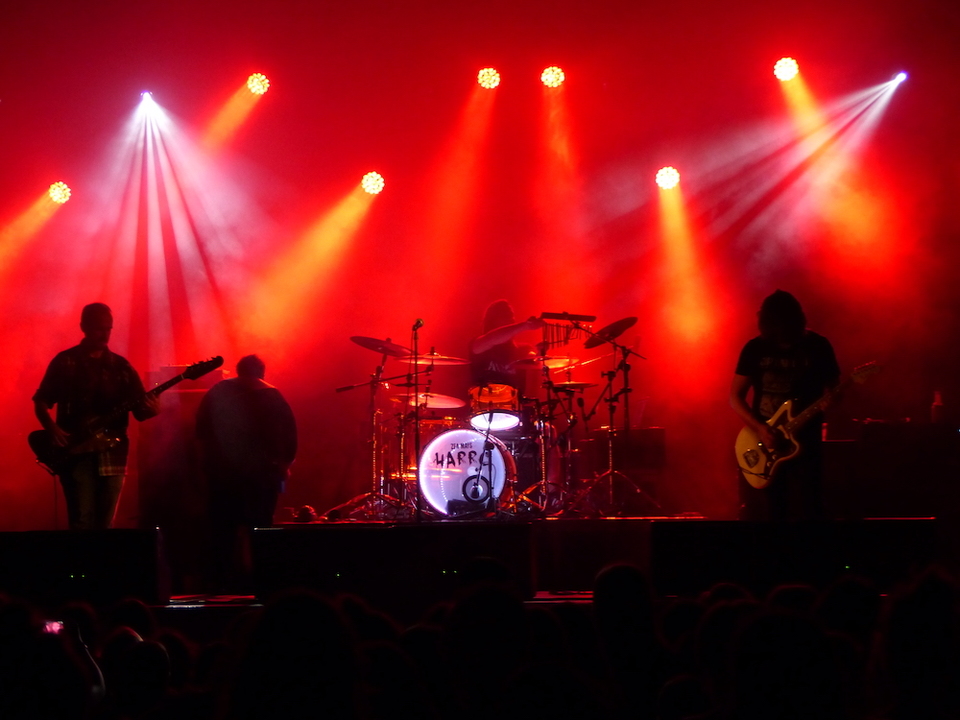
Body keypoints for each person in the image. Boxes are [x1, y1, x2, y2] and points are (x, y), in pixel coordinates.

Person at [32, 303, 160, 530]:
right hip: (75, 453)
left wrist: (154, 408)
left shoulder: (121, 367)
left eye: (109, 329)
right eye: (99, 328)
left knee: (105, 524)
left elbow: (141, 411)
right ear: (84, 327)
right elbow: (41, 401)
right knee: (81, 521)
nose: (105, 335)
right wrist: (51, 428)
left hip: (113, 453)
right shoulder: (65, 362)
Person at [730, 290, 840, 521]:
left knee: (811, 508)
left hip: (806, 442)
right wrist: (761, 429)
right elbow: (735, 397)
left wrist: (833, 399)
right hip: (767, 442)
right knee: (773, 512)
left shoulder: (818, 346)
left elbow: (834, 389)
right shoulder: (755, 349)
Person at [195, 354, 297, 590]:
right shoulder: (273, 395)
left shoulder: (216, 392)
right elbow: (290, 437)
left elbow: (200, 433)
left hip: (222, 475)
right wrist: (284, 466)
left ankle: (220, 585)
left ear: (238, 370)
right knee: (260, 530)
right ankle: (263, 584)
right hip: (262, 476)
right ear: (262, 372)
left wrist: (204, 468)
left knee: (222, 532)